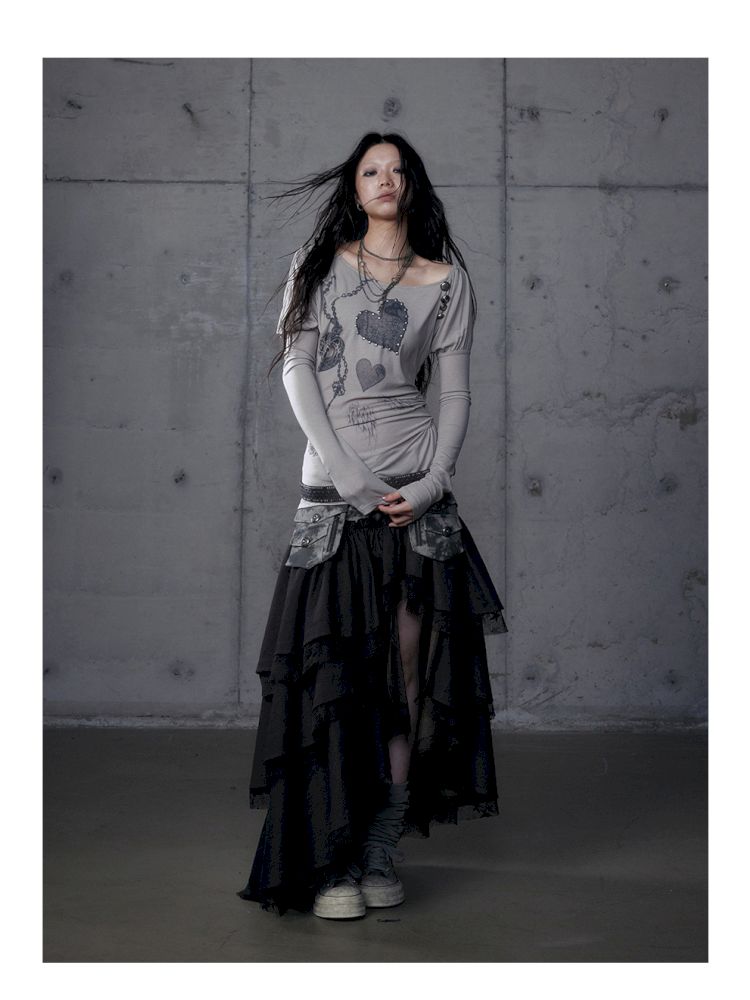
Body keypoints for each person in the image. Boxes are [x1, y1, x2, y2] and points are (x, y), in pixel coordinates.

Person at [236, 131, 508, 920]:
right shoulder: (317, 265)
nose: (385, 179)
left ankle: (380, 845)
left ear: (412, 184)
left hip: (416, 500)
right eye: (370, 170)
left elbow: (454, 394)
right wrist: (347, 474)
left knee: (407, 680)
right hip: (334, 493)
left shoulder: (446, 281)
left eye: (397, 169)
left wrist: (432, 482)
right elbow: (297, 368)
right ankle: (333, 860)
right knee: (338, 679)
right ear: (355, 188)